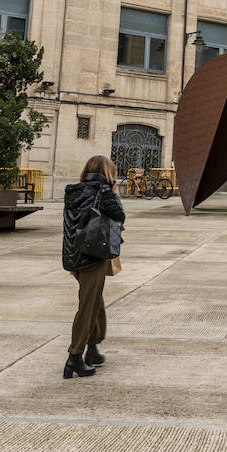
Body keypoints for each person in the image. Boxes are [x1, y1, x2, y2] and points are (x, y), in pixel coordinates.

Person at [61, 154, 125, 379]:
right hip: (93, 255)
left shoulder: (74, 191)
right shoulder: (104, 193)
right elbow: (119, 216)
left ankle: (93, 349)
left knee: (95, 301)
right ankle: (75, 357)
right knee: (88, 306)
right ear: (108, 173)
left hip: (74, 255)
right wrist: (113, 193)